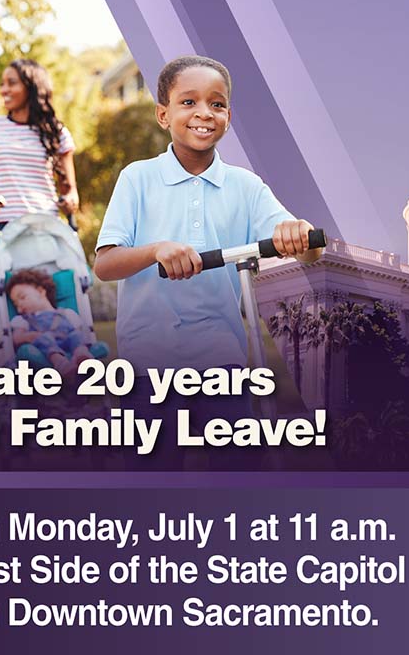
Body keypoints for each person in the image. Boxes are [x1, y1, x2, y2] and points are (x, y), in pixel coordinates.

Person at [93, 55, 321, 468]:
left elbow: (307, 248)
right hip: (150, 359)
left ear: (228, 117)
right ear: (163, 115)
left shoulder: (245, 186)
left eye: (216, 104)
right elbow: (106, 264)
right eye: (188, 102)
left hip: (220, 356)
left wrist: (300, 233)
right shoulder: (138, 178)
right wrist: (155, 250)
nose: (204, 113)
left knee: (242, 469)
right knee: (150, 473)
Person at [0, 59, 78, 232]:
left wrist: (69, 202)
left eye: (11, 83)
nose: (3, 90)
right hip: (5, 228)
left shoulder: (57, 133)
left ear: (32, 88)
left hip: (46, 225)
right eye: (2, 84)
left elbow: (71, 192)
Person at [5, 268, 93, 376]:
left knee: (75, 335)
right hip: (45, 349)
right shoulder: (23, 320)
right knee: (43, 339)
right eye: (16, 305)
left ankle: (81, 355)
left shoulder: (67, 313)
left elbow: (80, 334)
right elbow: (17, 338)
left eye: (22, 297)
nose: (19, 308)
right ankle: (60, 362)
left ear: (41, 291)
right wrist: (31, 336)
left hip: (68, 343)